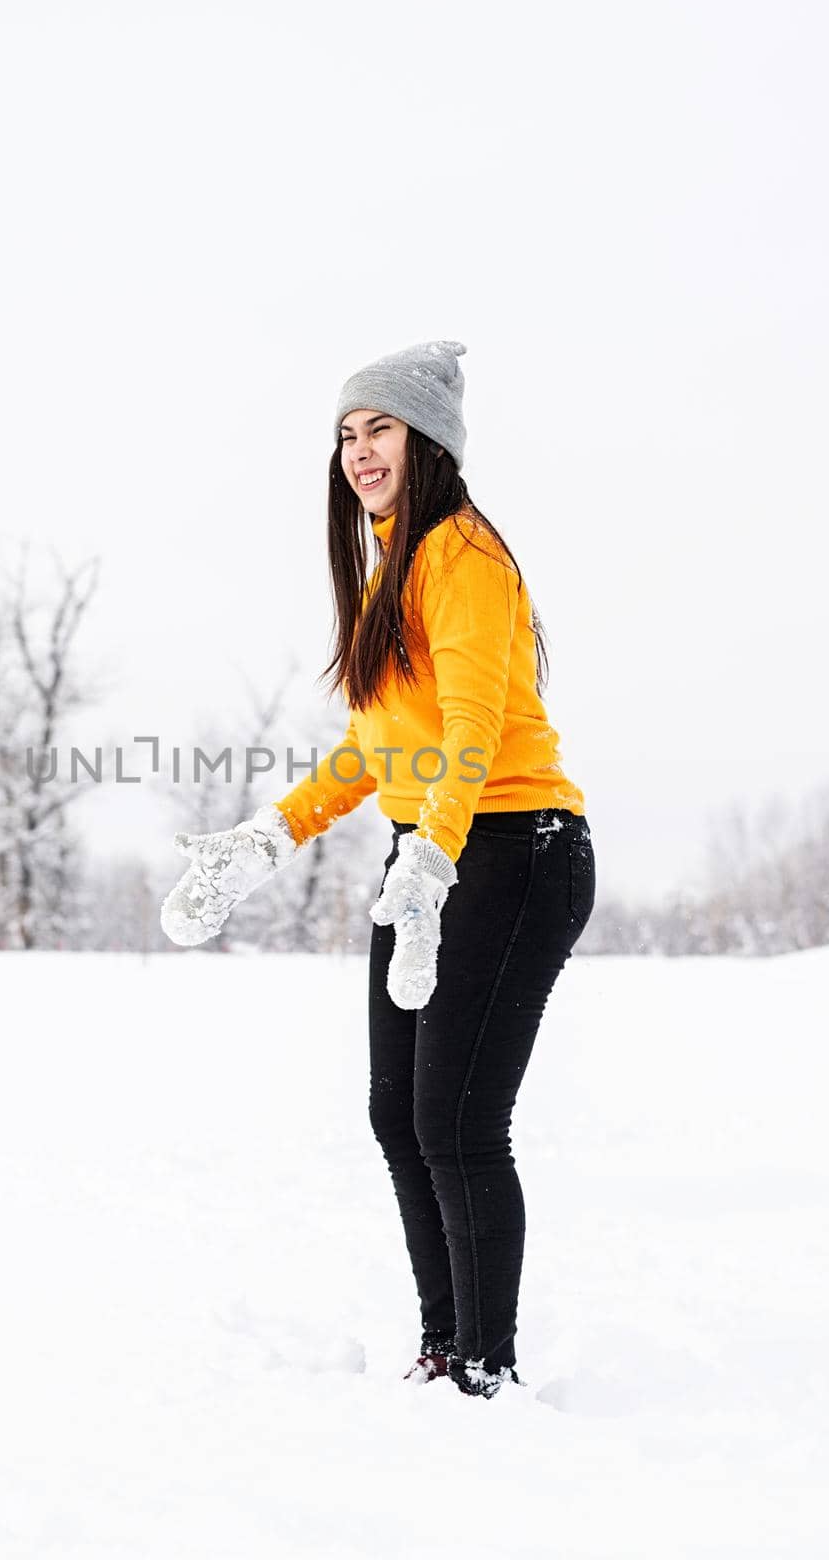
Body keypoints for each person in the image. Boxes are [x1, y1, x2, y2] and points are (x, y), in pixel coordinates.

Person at [160, 339, 595, 1400]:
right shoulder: (389, 571)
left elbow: (472, 730)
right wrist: (274, 833)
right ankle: (444, 1344)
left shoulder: (465, 559)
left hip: (514, 850)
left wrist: (435, 851)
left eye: (380, 428)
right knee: (397, 1112)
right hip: (434, 852)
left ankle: (484, 1370)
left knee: (457, 1123)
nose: (359, 451)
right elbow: (377, 747)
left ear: (429, 440)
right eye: (348, 434)